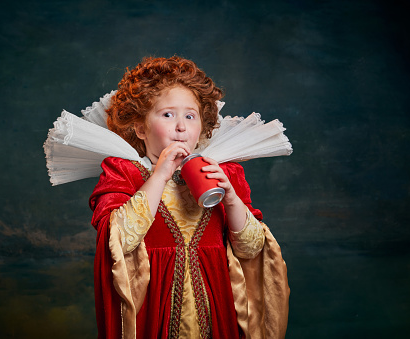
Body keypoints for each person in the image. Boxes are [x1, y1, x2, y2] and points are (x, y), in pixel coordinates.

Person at [89, 56, 289, 339]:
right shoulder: (125, 172)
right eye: (168, 115)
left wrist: (231, 199)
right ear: (141, 128)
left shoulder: (223, 172)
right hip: (153, 304)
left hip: (216, 301)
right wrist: (159, 176)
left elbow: (251, 249)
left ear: (202, 128)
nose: (181, 126)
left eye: (190, 116)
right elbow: (119, 241)